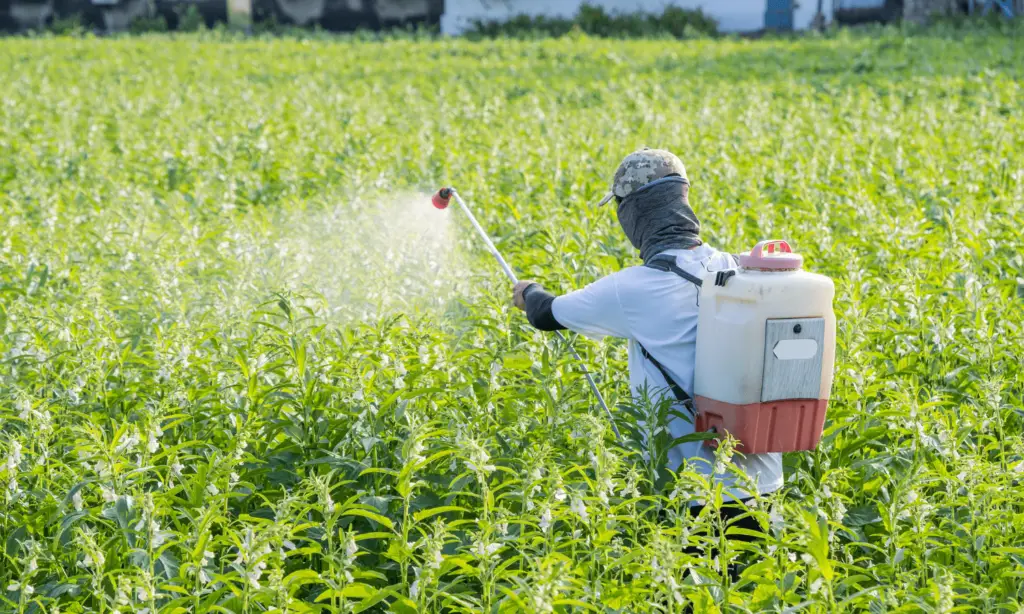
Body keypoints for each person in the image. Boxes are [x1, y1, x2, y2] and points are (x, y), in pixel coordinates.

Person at [511, 148, 780, 560]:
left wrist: (527, 291)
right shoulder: (735, 269)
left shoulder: (631, 289)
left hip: (697, 498)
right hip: (767, 488)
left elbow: (547, 314)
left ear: (633, 213)